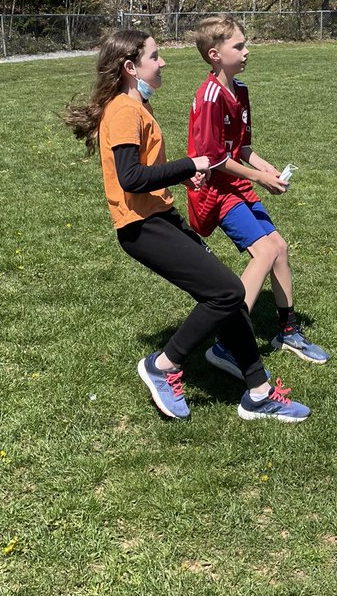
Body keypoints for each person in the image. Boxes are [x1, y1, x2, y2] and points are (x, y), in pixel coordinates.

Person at [64, 28, 309, 423]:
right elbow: (130, 178)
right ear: (131, 67)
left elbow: (144, 172)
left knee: (227, 299)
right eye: (155, 56)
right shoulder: (125, 110)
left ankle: (259, 392)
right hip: (142, 226)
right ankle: (164, 364)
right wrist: (190, 165)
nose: (163, 62)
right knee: (228, 292)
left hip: (160, 216)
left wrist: (176, 176)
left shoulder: (135, 106)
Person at [186, 15, 331, 376]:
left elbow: (243, 148)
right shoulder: (209, 96)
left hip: (239, 185)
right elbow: (215, 160)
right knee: (265, 251)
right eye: (239, 46)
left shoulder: (241, 90)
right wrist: (258, 179)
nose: (247, 51)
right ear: (215, 54)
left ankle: (287, 331)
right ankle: (227, 344)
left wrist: (266, 170)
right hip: (218, 193)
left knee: (278, 247)